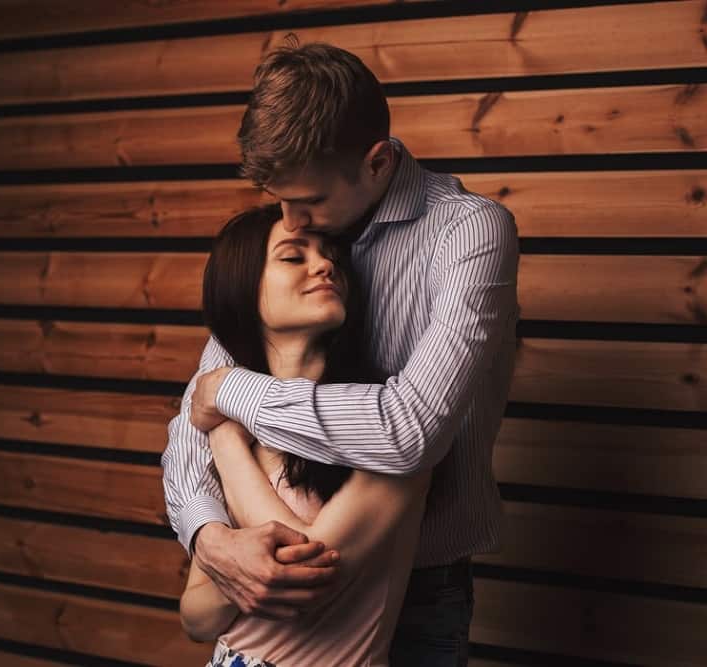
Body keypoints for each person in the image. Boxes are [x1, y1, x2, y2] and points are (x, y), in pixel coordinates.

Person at [162, 39, 519, 665]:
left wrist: (229, 394)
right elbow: (194, 421)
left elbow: (410, 433)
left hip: (421, 587)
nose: (294, 224)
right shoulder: (292, 225)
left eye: (310, 203)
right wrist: (210, 536)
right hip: (254, 575)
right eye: (282, 202)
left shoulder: (469, 233)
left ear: (377, 162)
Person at [180, 203, 431, 665]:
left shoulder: (387, 422)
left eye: (330, 255)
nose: (324, 265)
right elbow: (194, 618)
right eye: (294, 257)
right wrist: (235, 568)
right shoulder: (234, 421)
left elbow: (309, 577)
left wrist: (224, 439)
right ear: (243, 289)